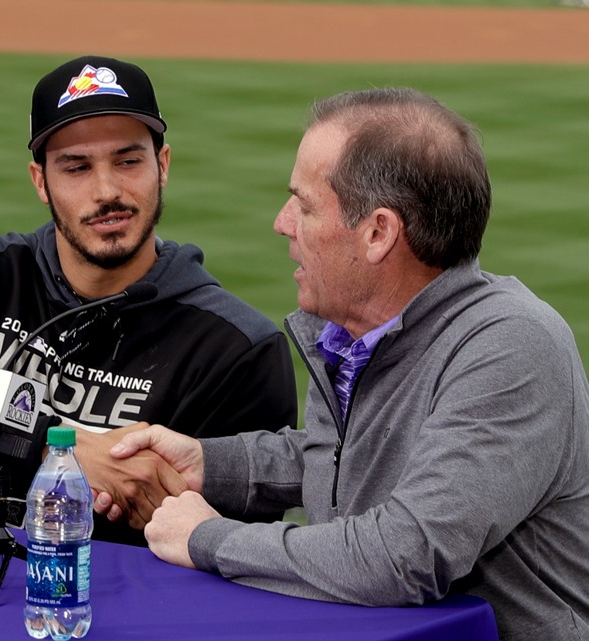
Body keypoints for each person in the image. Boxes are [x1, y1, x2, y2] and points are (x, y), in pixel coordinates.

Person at [97, 88, 589, 640]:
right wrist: (207, 465)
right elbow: (343, 459)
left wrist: (209, 538)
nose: (282, 223)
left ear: (378, 232)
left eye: (304, 205)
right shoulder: (355, 334)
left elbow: (407, 555)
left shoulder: (512, 346)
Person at [0, 55, 297, 546]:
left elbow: (230, 544)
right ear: (41, 182)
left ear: (162, 166)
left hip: (107, 608)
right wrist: (62, 449)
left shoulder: (236, 348)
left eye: (128, 161)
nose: (108, 190)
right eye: (76, 167)